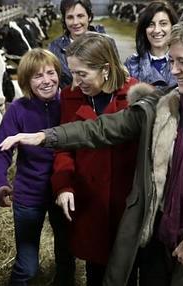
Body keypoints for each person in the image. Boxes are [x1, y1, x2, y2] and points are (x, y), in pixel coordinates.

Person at [0, 14, 183, 286]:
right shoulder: (164, 102)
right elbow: (104, 128)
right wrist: (46, 136)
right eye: (172, 61)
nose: (173, 70)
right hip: (157, 235)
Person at [51, 32, 138, 286]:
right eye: (73, 73)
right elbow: (64, 147)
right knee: (95, 270)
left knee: (127, 273)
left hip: (125, 201)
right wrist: (64, 186)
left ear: (106, 69)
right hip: (90, 199)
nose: (75, 82)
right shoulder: (71, 96)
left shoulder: (135, 95)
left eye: (82, 74)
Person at [0, 48, 75, 286]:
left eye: (51, 73)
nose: (47, 81)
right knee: (27, 266)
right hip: (29, 193)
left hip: (65, 192)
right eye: (38, 76)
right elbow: (0, 151)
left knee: (67, 258)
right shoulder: (18, 109)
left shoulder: (70, 102)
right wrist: (0, 183)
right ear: (26, 81)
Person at [48, 0, 105, 89]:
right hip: (70, 100)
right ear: (64, 19)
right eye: (70, 17)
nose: (75, 22)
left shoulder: (105, 43)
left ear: (89, 17)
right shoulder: (54, 48)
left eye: (80, 16)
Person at [124, 1, 178, 92]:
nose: (156, 30)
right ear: (144, 29)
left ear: (173, 26)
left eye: (163, 23)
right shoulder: (132, 64)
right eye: (150, 24)